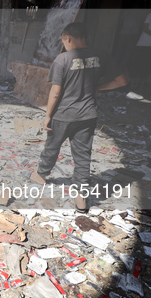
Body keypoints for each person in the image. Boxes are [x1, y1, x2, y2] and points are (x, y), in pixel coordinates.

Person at [30, 23, 128, 212]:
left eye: (63, 41)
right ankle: (81, 198)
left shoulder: (62, 59)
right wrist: (98, 87)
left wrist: (47, 115)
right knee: (83, 156)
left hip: (63, 115)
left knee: (52, 146)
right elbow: (121, 81)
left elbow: (55, 92)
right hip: (87, 115)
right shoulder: (102, 56)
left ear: (67, 38)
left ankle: (41, 175)